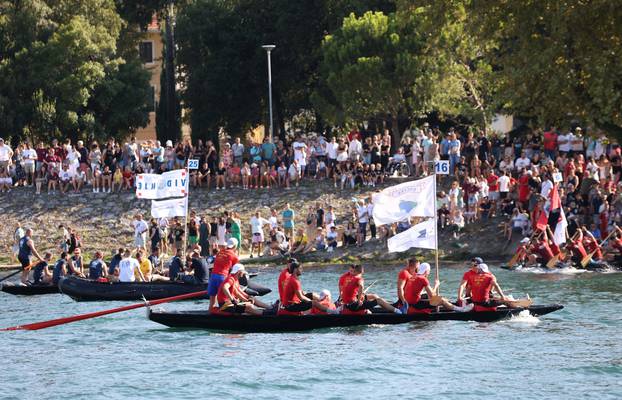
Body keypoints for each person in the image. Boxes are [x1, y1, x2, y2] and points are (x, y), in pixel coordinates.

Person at [403, 263, 472, 313]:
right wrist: (436, 285)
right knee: (441, 300)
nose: (429, 273)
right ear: (426, 271)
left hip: (409, 302)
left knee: (440, 298)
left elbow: (415, 291)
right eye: (429, 271)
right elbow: (432, 295)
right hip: (416, 305)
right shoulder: (423, 279)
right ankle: (461, 309)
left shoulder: (413, 276)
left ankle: (450, 305)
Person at [208, 238, 239, 309]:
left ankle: (210, 312)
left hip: (212, 277)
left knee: (212, 300)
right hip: (222, 277)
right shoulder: (234, 256)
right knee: (223, 301)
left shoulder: (219, 252)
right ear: (235, 246)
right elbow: (236, 271)